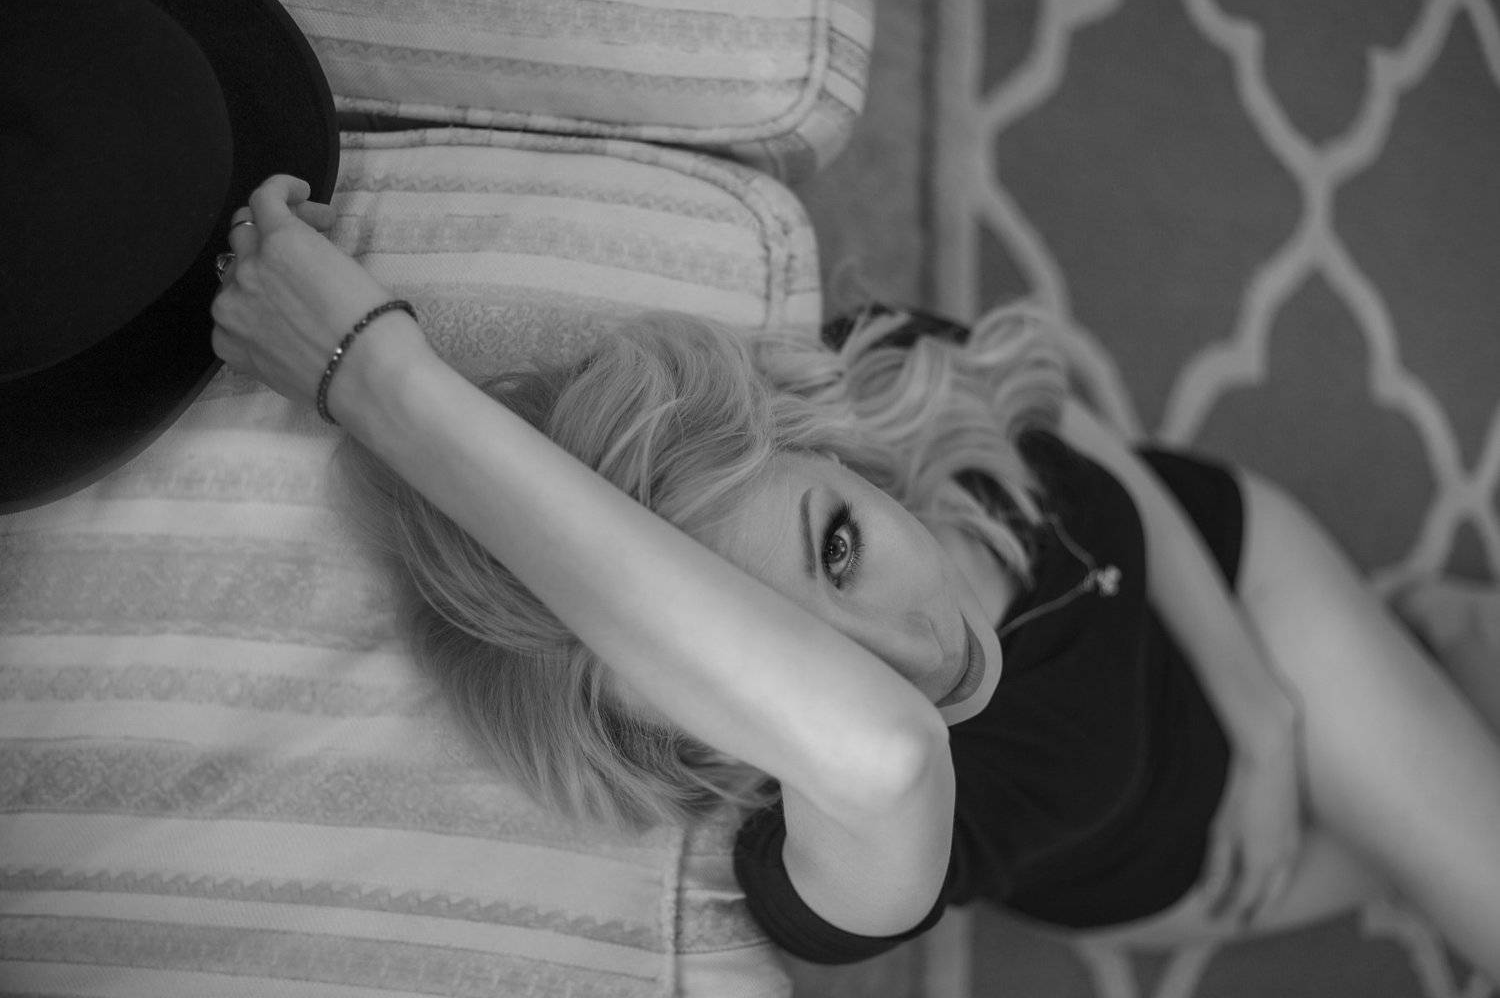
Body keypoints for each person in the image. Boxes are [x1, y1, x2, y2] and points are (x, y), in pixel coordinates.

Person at [211, 173, 1500, 978]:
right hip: (1167, 869)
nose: (920, 655)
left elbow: (1069, 426)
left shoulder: (870, 378)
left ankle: (1413, 668)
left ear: (821, 447)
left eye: (839, 547)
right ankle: (1438, 651)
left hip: (1240, 599)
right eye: (815, 661)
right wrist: (384, 392)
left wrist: (1264, 716)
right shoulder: (812, 866)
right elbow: (884, 752)